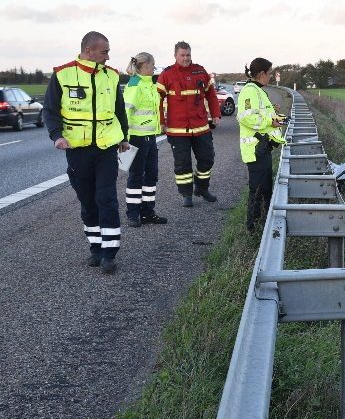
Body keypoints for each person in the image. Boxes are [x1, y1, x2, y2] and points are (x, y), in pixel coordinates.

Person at [42, 31, 129, 273]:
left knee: (106, 198)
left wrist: (124, 138)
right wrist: (57, 136)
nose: (108, 57)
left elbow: (119, 109)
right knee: (88, 201)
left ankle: (110, 253)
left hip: (106, 148)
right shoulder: (62, 74)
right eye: (105, 52)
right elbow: (50, 110)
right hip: (77, 150)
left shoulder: (111, 76)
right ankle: (96, 248)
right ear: (88, 50)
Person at [155, 41, 220, 207]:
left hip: (201, 126)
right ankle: (186, 194)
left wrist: (216, 114)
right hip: (177, 129)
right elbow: (157, 100)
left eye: (188, 55)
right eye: (182, 55)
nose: (186, 58)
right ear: (175, 56)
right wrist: (161, 122)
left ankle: (202, 188)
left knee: (207, 159)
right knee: (182, 164)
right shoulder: (166, 74)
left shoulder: (200, 71)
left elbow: (211, 95)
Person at [237, 57, 287, 230]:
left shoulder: (257, 90)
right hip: (256, 148)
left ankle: (262, 224)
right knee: (257, 189)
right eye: (269, 73)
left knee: (265, 188)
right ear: (261, 73)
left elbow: (259, 112)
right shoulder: (250, 91)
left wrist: (273, 111)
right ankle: (252, 227)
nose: (271, 77)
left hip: (262, 148)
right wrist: (270, 121)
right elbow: (246, 117)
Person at [123, 53, 167, 227]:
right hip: (136, 138)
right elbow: (126, 113)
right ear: (146, 66)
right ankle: (133, 214)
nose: (154, 68)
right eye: (153, 65)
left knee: (151, 175)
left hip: (150, 138)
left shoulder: (150, 85)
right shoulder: (135, 85)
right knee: (136, 176)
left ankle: (148, 212)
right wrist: (123, 140)